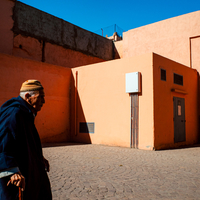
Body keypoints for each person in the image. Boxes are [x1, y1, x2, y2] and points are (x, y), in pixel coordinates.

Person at [0, 80, 52, 200]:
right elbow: (3, 142)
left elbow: (24, 141)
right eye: (41, 97)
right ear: (28, 96)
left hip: (31, 168)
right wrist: (11, 170)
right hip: (18, 176)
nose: (43, 101)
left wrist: (39, 157)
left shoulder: (26, 113)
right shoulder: (14, 113)